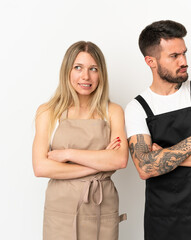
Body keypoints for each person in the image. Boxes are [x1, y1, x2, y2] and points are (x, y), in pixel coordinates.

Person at [125, 20, 191, 240]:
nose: (184, 61)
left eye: (184, 53)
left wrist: (162, 157)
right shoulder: (137, 107)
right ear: (151, 61)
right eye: (174, 56)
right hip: (163, 220)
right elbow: (145, 168)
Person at [32, 41, 128, 240]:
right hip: (61, 210)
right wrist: (98, 165)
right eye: (78, 68)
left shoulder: (113, 112)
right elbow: (41, 167)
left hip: (102, 205)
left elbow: (119, 160)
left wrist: (68, 154)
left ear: (101, 74)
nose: (86, 76)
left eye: (93, 69)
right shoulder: (48, 112)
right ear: (67, 71)